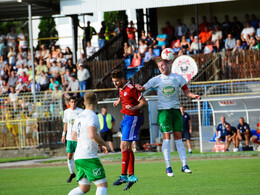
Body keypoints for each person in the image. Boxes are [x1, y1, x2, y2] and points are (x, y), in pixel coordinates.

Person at [135, 58, 201, 177]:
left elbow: (187, 92)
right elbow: (143, 88)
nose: (161, 68)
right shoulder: (156, 79)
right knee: (166, 138)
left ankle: (184, 165)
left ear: (168, 65)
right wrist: (139, 87)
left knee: (178, 137)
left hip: (176, 111)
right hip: (164, 112)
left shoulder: (178, 78)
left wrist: (193, 95)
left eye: (162, 65)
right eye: (159, 66)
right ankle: (168, 167)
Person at [111, 69, 147, 190]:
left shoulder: (132, 88)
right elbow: (124, 95)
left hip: (133, 118)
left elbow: (144, 102)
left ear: (122, 79)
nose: (115, 84)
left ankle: (124, 176)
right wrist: (119, 100)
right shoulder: (121, 88)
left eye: (116, 81)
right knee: (124, 147)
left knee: (125, 147)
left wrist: (134, 107)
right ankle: (130, 176)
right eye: (113, 82)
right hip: (126, 118)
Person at [68, 91, 108, 195]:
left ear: (84, 103)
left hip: (78, 157)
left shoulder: (79, 116)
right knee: (102, 185)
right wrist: (104, 144)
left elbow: (73, 136)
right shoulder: (93, 116)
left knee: (84, 188)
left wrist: (85, 142)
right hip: (88, 156)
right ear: (97, 102)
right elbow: (92, 135)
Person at [61, 96, 83, 183]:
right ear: (69, 103)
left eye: (74, 101)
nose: (73, 103)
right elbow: (65, 124)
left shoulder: (80, 111)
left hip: (77, 137)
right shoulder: (66, 112)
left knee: (78, 156)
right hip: (69, 137)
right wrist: (63, 135)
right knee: (69, 156)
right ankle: (72, 173)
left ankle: (80, 173)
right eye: (72, 102)